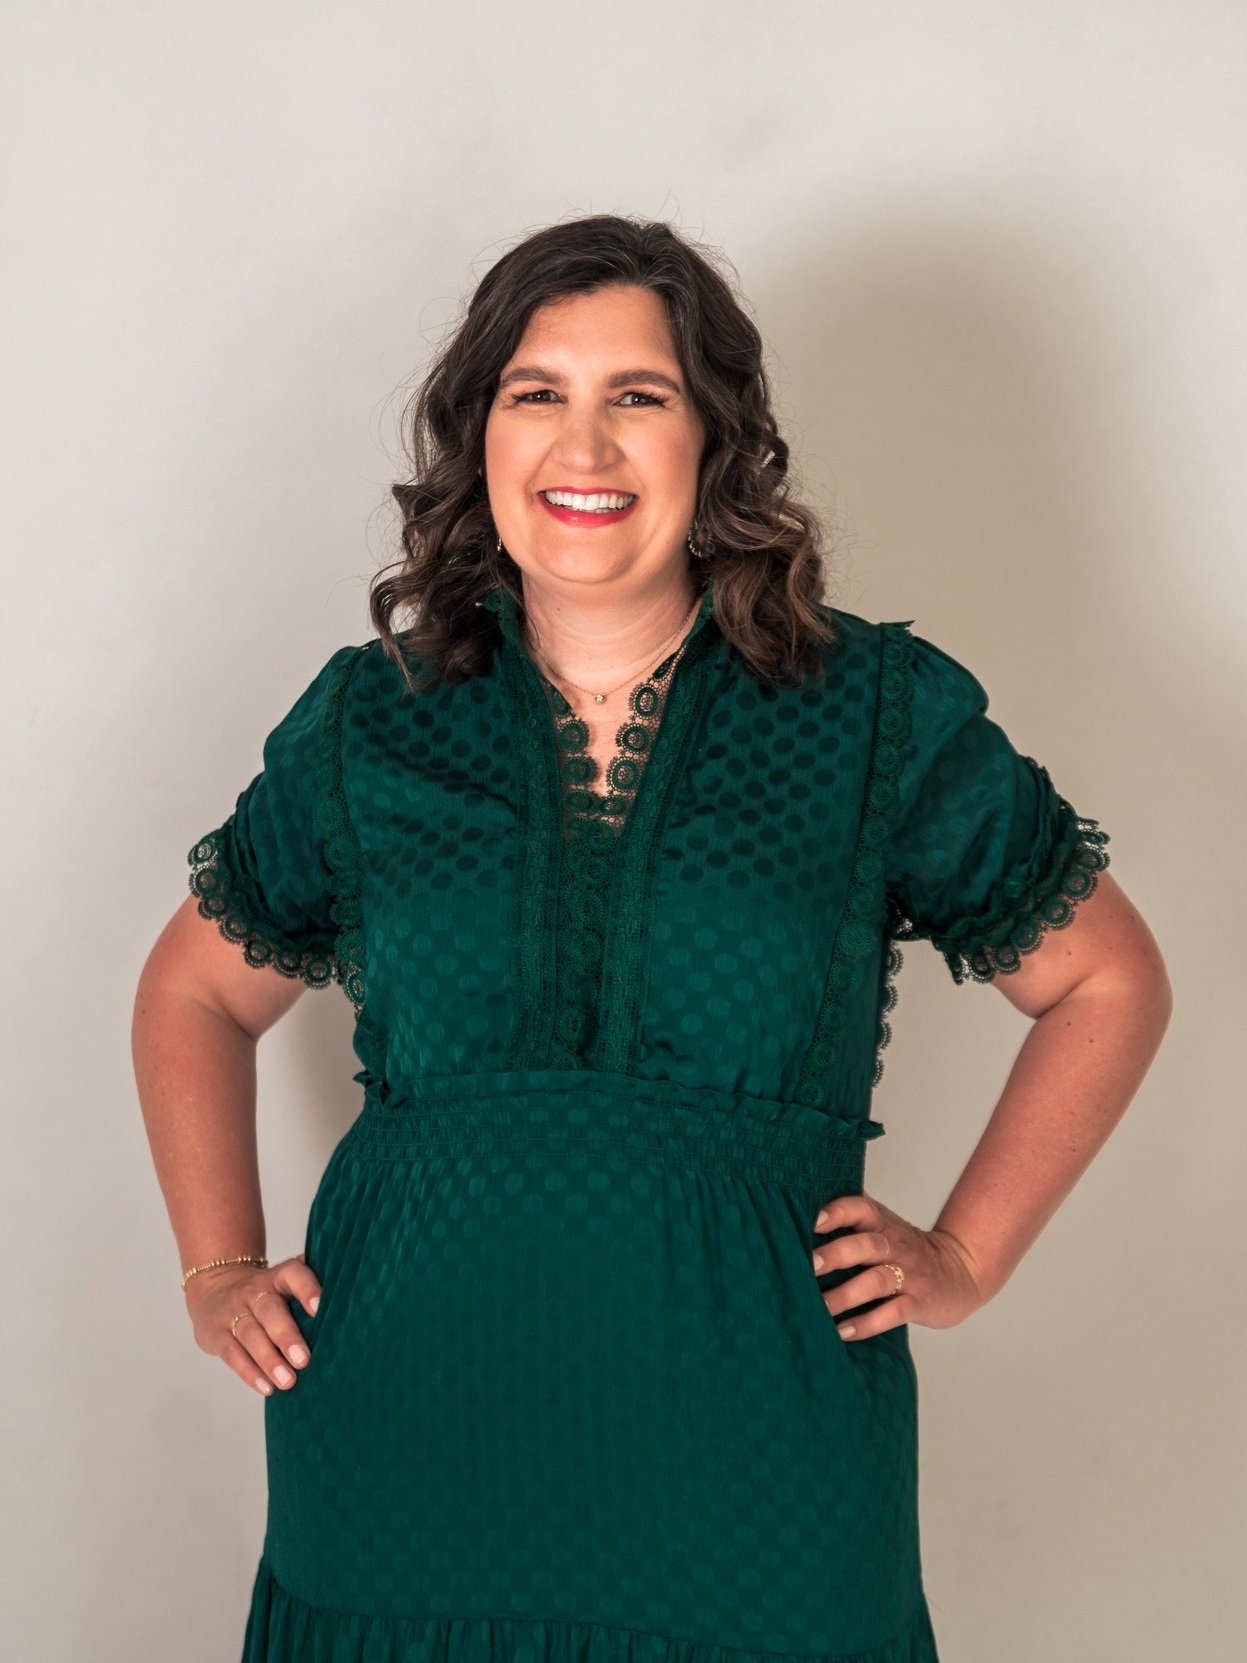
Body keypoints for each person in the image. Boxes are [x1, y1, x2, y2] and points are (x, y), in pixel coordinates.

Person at [132, 213, 1173, 1663]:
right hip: (399, 1442)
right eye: (536, 393)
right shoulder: (372, 725)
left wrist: (966, 1252)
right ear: (477, 437)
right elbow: (192, 988)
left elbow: (1107, 978)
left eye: (640, 396)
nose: (586, 444)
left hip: (763, 1471)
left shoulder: (870, 717)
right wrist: (215, 1266)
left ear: (717, 441)